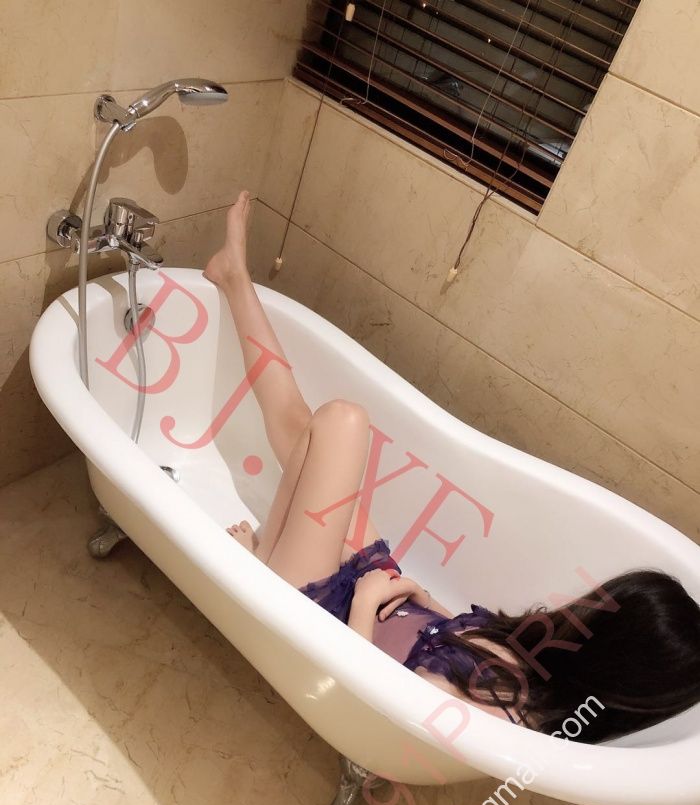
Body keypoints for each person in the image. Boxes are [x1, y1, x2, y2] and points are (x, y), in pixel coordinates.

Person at [204, 192, 700, 744]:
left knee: (341, 422)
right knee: (311, 429)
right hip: (373, 590)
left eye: (597, 610)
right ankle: (234, 279)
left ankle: (257, 567)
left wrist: (366, 602)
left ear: (610, 652)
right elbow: (443, 641)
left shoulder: (506, 718)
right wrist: (418, 597)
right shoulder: (539, 674)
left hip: (320, 618)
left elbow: (367, 703)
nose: (583, 603)